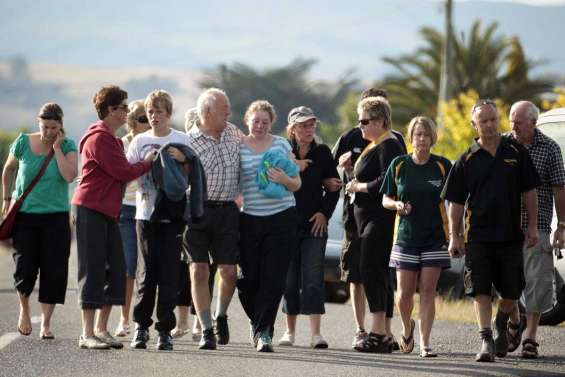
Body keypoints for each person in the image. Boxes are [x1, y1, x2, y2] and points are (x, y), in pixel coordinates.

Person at [442, 99, 539, 362]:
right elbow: (456, 202)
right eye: (483, 120)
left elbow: (529, 191)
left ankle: (501, 322)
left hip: (510, 236)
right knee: (480, 289)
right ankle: (486, 340)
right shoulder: (467, 158)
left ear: (499, 120)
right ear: (474, 124)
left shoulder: (516, 152)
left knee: (511, 292)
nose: (489, 124)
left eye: (493, 119)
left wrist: (532, 227)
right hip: (478, 237)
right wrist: (455, 235)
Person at [72, 85, 154, 350]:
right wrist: (148, 163)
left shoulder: (113, 139)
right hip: (90, 209)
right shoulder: (99, 138)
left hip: (109, 212)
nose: (127, 111)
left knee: (115, 269)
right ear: (111, 110)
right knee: (93, 269)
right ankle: (87, 334)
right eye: (123, 107)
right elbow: (122, 171)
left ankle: (101, 329)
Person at [332, 88, 406, 349]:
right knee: (368, 271)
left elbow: (389, 179)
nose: (359, 126)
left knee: (373, 272)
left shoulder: (390, 144)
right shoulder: (376, 144)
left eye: (364, 121)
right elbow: (367, 176)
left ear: (380, 121)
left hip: (378, 218)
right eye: (359, 120)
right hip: (363, 218)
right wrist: (351, 173)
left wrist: (360, 187)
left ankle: (378, 332)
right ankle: (381, 334)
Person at [1, 103, 77, 340]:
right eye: (45, 127)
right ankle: (24, 310)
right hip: (26, 216)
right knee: (24, 266)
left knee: (54, 270)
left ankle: (46, 323)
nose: (48, 132)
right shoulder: (23, 142)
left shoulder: (67, 145)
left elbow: (69, 175)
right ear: (39, 123)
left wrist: (56, 148)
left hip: (56, 217)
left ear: (60, 127)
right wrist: (6, 199)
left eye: (54, 127)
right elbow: (8, 169)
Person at [126, 90, 192, 351]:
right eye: (150, 112)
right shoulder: (139, 141)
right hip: (145, 213)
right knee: (146, 273)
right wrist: (144, 163)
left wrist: (183, 157)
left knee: (169, 274)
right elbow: (127, 172)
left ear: (169, 114)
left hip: (174, 215)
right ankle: (141, 327)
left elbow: (196, 172)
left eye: (159, 112)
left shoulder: (182, 139)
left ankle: (164, 330)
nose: (154, 117)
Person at [381, 116, 452, 357]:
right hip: (405, 237)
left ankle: (425, 342)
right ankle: (406, 327)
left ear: (433, 137)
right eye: (417, 134)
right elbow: (385, 198)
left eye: (426, 134)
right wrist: (397, 205)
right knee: (404, 294)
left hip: (435, 236)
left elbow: (453, 202)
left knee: (428, 290)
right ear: (410, 137)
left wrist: (455, 234)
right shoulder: (399, 164)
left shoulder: (442, 165)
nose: (422, 139)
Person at [238, 100, 301, 352]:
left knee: (273, 279)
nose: (260, 125)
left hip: (282, 217)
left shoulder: (281, 145)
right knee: (248, 279)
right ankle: (258, 321)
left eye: (265, 121)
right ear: (248, 120)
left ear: (271, 123)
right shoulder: (238, 146)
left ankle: (264, 332)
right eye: (256, 121)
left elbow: (297, 183)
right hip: (249, 218)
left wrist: (284, 178)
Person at [506, 101, 565, 359]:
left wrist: (562, 225)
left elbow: (559, 189)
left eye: (518, 121)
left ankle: (530, 336)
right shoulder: (502, 145)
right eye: (511, 120)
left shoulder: (550, 148)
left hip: (538, 225)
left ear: (533, 122)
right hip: (504, 227)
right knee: (506, 282)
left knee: (537, 283)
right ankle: (514, 319)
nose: (513, 126)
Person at [278, 107, 340, 349]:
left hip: (314, 226)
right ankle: (289, 332)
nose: (309, 129)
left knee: (313, 278)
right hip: (286, 223)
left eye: (312, 124)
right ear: (292, 128)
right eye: (303, 125)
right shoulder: (282, 150)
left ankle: (316, 334)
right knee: (289, 279)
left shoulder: (323, 153)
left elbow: (335, 187)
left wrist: (324, 212)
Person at [185, 88, 242, 350]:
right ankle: (206, 329)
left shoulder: (233, 132)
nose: (229, 113)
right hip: (196, 211)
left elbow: (254, 152)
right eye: (224, 109)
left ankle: (221, 316)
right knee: (199, 270)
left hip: (228, 210)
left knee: (229, 271)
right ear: (207, 112)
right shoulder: (189, 143)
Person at [114, 100, 151, 337]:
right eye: (142, 119)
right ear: (131, 122)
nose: (147, 123)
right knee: (129, 267)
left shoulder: (156, 143)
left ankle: (142, 319)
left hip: (149, 208)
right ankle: (124, 318)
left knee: (146, 268)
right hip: (126, 209)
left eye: (149, 118)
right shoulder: (121, 144)